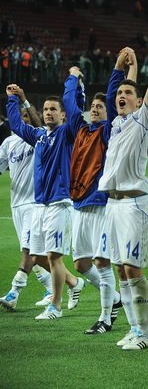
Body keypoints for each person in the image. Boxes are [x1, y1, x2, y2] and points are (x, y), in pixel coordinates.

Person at [98, 30, 148, 350]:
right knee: (119, 269)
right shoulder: (116, 124)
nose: (121, 95)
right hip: (112, 205)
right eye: (119, 93)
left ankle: (145, 334)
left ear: (139, 102)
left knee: (132, 268)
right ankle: (133, 328)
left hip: (134, 205)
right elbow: (126, 89)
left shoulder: (142, 121)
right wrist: (128, 68)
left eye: (128, 93)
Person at [65, 48, 138, 335]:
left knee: (102, 262)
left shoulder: (108, 131)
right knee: (81, 264)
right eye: (92, 106)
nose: (95, 109)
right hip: (78, 204)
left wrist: (118, 69)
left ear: (108, 112)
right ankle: (116, 299)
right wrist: (73, 79)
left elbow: (111, 97)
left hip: (100, 204)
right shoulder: (80, 130)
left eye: (100, 106)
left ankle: (105, 318)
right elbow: (70, 105)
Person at [6, 87, 85, 320]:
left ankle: (55, 306)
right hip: (39, 205)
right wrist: (13, 99)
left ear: (63, 114)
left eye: (53, 109)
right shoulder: (39, 136)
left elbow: (75, 111)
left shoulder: (67, 134)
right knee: (36, 255)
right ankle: (74, 283)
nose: (49, 112)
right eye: (46, 109)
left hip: (60, 204)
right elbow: (16, 125)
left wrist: (73, 82)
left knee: (53, 256)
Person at [0, 92, 54, 311]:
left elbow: (41, 126)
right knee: (36, 253)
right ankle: (59, 286)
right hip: (17, 204)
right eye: (21, 116)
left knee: (30, 250)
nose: (24, 119)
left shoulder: (39, 139)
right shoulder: (8, 143)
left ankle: (14, 292)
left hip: (35, 204)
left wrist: (22, 101)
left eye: (27, 116)